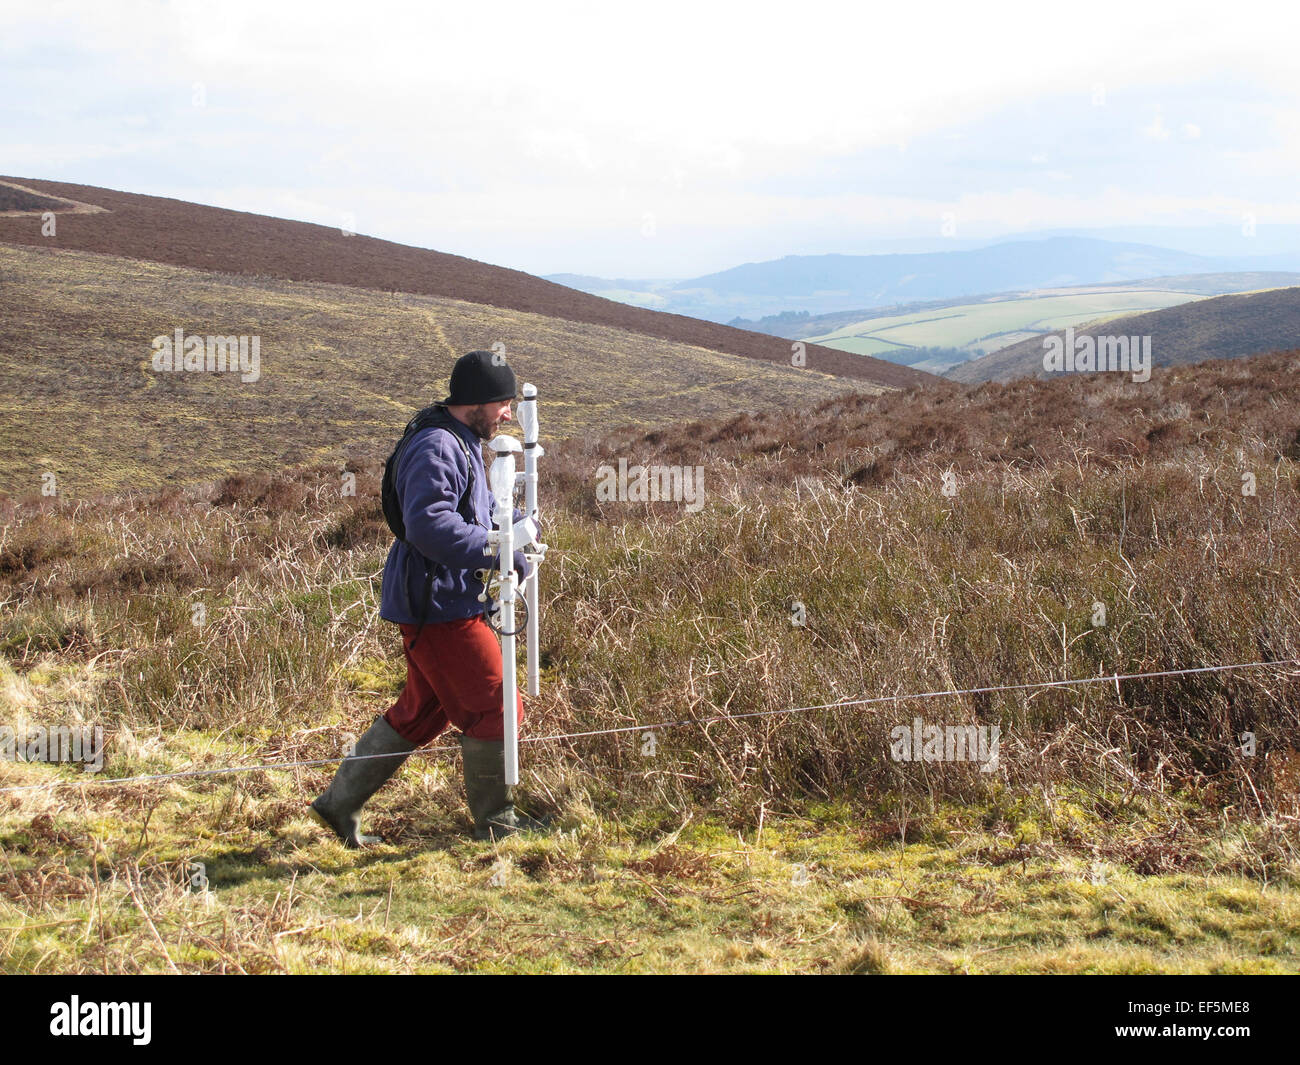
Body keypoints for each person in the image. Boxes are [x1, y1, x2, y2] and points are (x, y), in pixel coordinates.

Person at [310, 349, 548, 845]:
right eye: (503, 404)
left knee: (421, 711)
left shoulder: (458, 439)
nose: (508, 415)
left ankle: (338, 805)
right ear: (478, 402)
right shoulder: (438, 446)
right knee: (497, 706)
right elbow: (430, 526)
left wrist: (509, 549)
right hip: (438, 605)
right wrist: (495, 550)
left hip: (443, 598)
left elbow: (467, 520)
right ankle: (497, 824)